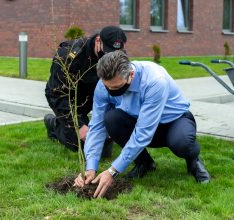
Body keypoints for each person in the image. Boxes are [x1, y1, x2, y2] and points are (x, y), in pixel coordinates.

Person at [74, 50, 211, 198]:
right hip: (140, 121)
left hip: (174, 121)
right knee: (111, 119)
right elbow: (97, 126)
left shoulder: (155, 81)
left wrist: (112, 171)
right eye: (108, 87)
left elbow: (142, 134)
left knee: (182, 143)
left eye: (116, 87)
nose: (110, 90)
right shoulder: (104, 84)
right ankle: (144, 163)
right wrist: (91, 166)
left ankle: (193, 160)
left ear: (130, 75)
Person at [44, 26, 127, 156]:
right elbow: (58, 94)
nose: (109, 56)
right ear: (98, 40)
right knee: (80, 145)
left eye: (114, 53)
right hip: (68, 99)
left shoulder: (117, 57)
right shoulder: (69, 55)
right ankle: (54, 124)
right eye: (107, 51)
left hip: (92, 98)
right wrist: (79, 126)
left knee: (104, 148)